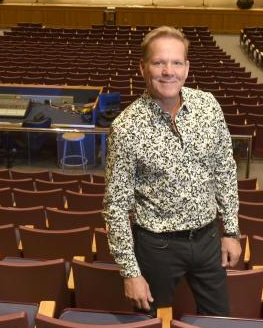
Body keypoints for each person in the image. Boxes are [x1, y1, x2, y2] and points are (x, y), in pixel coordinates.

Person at [103, 26, 241, 316]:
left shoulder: (208, 106)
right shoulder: (126, 128)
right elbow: (116, 206)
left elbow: (225, 171)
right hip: (157, 247)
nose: (169, 71)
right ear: (143, 68)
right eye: (159, 63)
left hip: (208, 240)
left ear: (187, 68)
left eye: (176, 62)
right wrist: (130, 272)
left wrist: (231, 230)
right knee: (149, 321)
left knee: (220, 319)